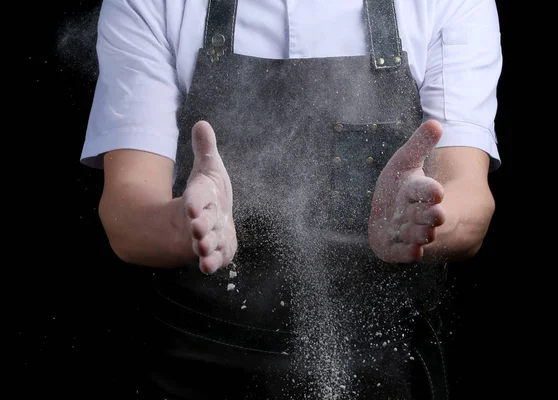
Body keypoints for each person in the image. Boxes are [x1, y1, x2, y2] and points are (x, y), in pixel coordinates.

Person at [80, 0, 502, 398]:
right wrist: (184, 224)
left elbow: (470, 200)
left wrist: (425, 220)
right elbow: (127, 214)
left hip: (384, 365)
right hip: (193, 365)